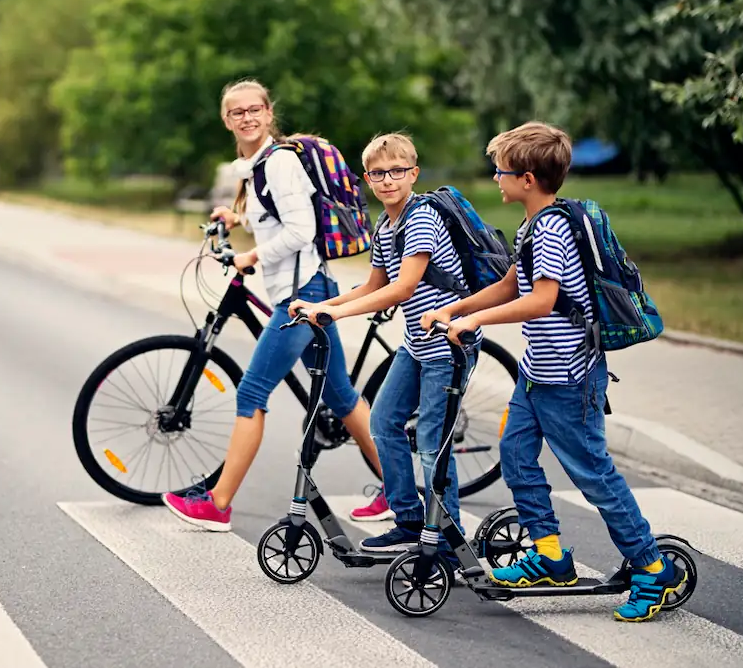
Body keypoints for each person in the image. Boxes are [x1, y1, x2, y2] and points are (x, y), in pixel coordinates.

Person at [421, 121, 687, 622]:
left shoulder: (550, 229)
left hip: (569, 375)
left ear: (526, 178)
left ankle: (653, 569)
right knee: (516, 455)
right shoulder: (532, 224)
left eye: (499, 171)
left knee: (592, 473)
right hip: (536, 372)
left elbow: (542, 301)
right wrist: (458, 309)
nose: (494, 178)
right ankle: (549, 556)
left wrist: (473, 320)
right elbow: (508, 285)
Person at [161, 79, 382, 531]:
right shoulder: (255, 165)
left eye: (254, 109)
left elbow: (300, 231)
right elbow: (272, 214)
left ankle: (218, 503)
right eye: (237, 112)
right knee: (340, 396)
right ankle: (405, 494)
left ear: (268, 112)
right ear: (227, 120)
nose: (247, 117)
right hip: (307, 289)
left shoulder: (279, 163)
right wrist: (236, 218)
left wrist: (252, 255)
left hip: (301, 297)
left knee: (252, 393)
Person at [294, 132, 478, 553]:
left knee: (433, 445)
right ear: (367, 179)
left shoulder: (421, 219)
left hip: (450, 346)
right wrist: (321, 304)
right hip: (417, 345)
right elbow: (375, 283)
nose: (388, 180)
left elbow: (402, 289)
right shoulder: (386, 223)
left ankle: (447, 541)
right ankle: (410, 521)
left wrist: (335, 314)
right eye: (379, 173)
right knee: (382, 423)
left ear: (413, 173)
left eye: (397, 171)